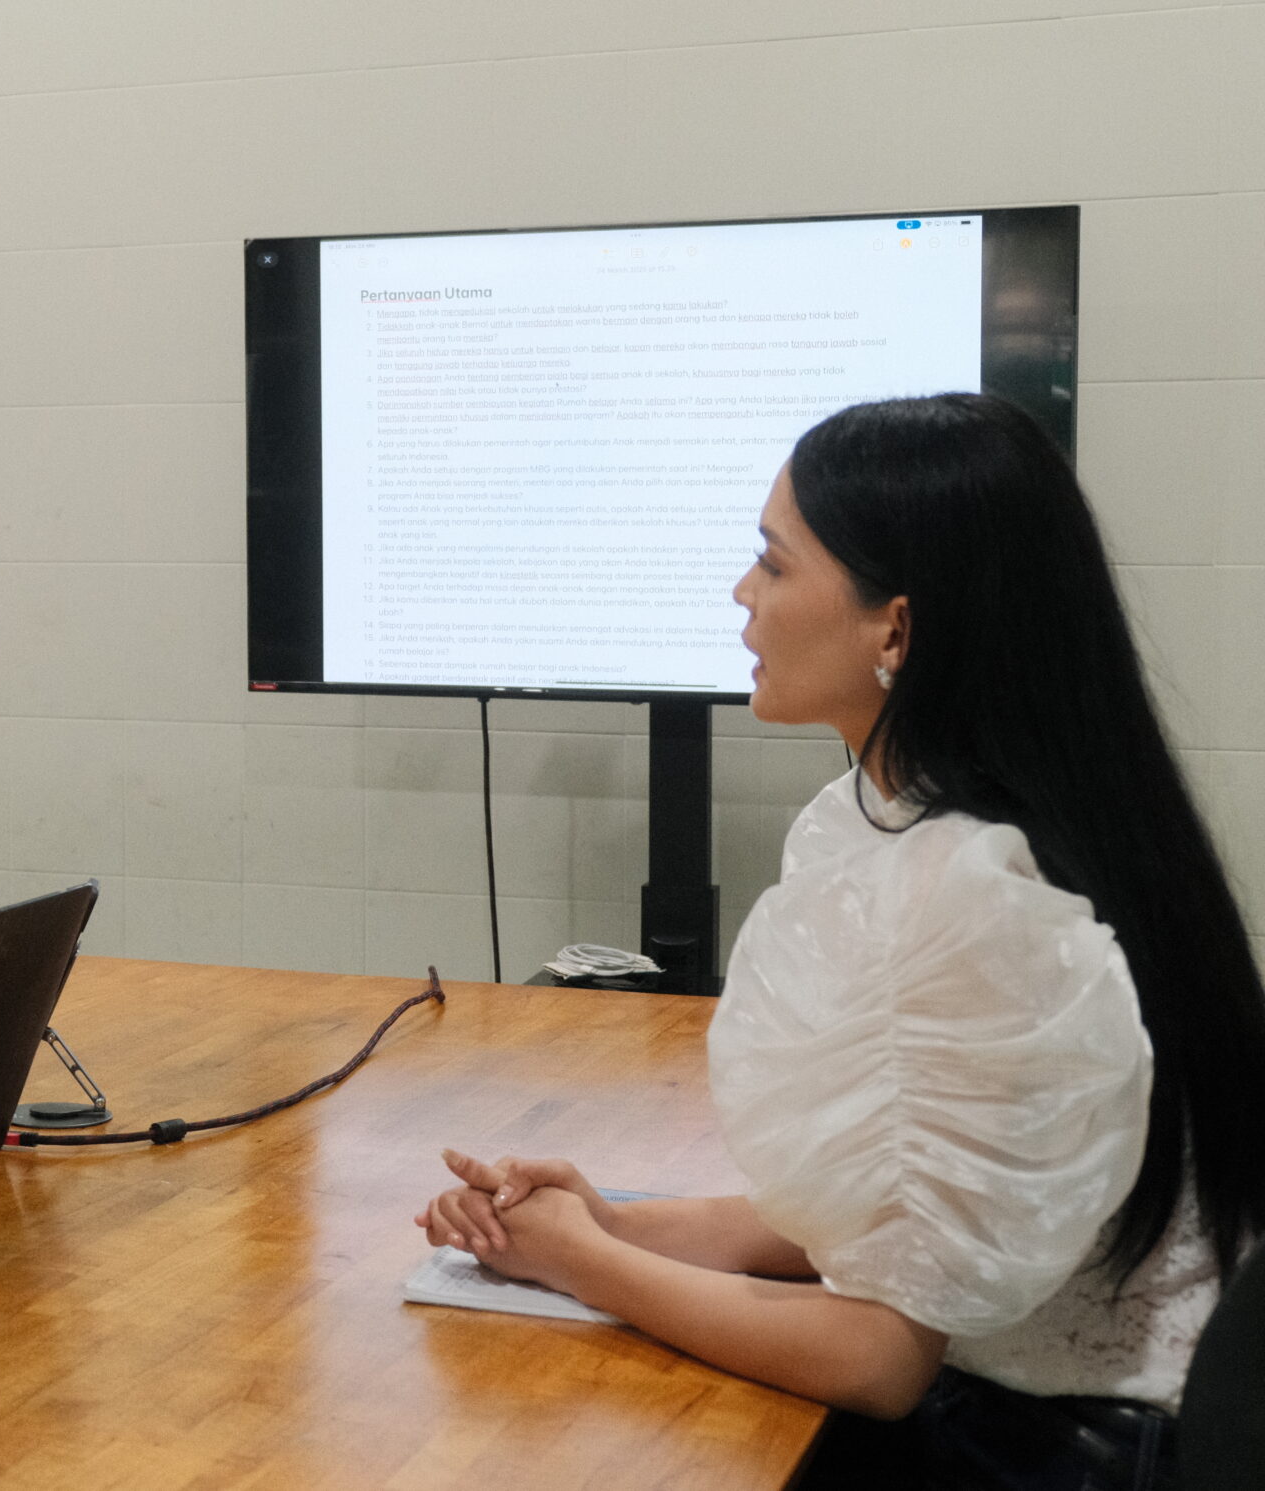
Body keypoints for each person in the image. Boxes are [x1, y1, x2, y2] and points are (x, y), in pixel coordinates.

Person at [417, 395, 1265, 1487]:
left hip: (1054, 1448)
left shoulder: (969, 898)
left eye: (772, 563)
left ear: (894, 630)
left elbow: (877, 1359)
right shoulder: (976, 827)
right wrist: (613, 1223)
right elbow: (906, 1223)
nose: (742, 593)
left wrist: (588, 1265)